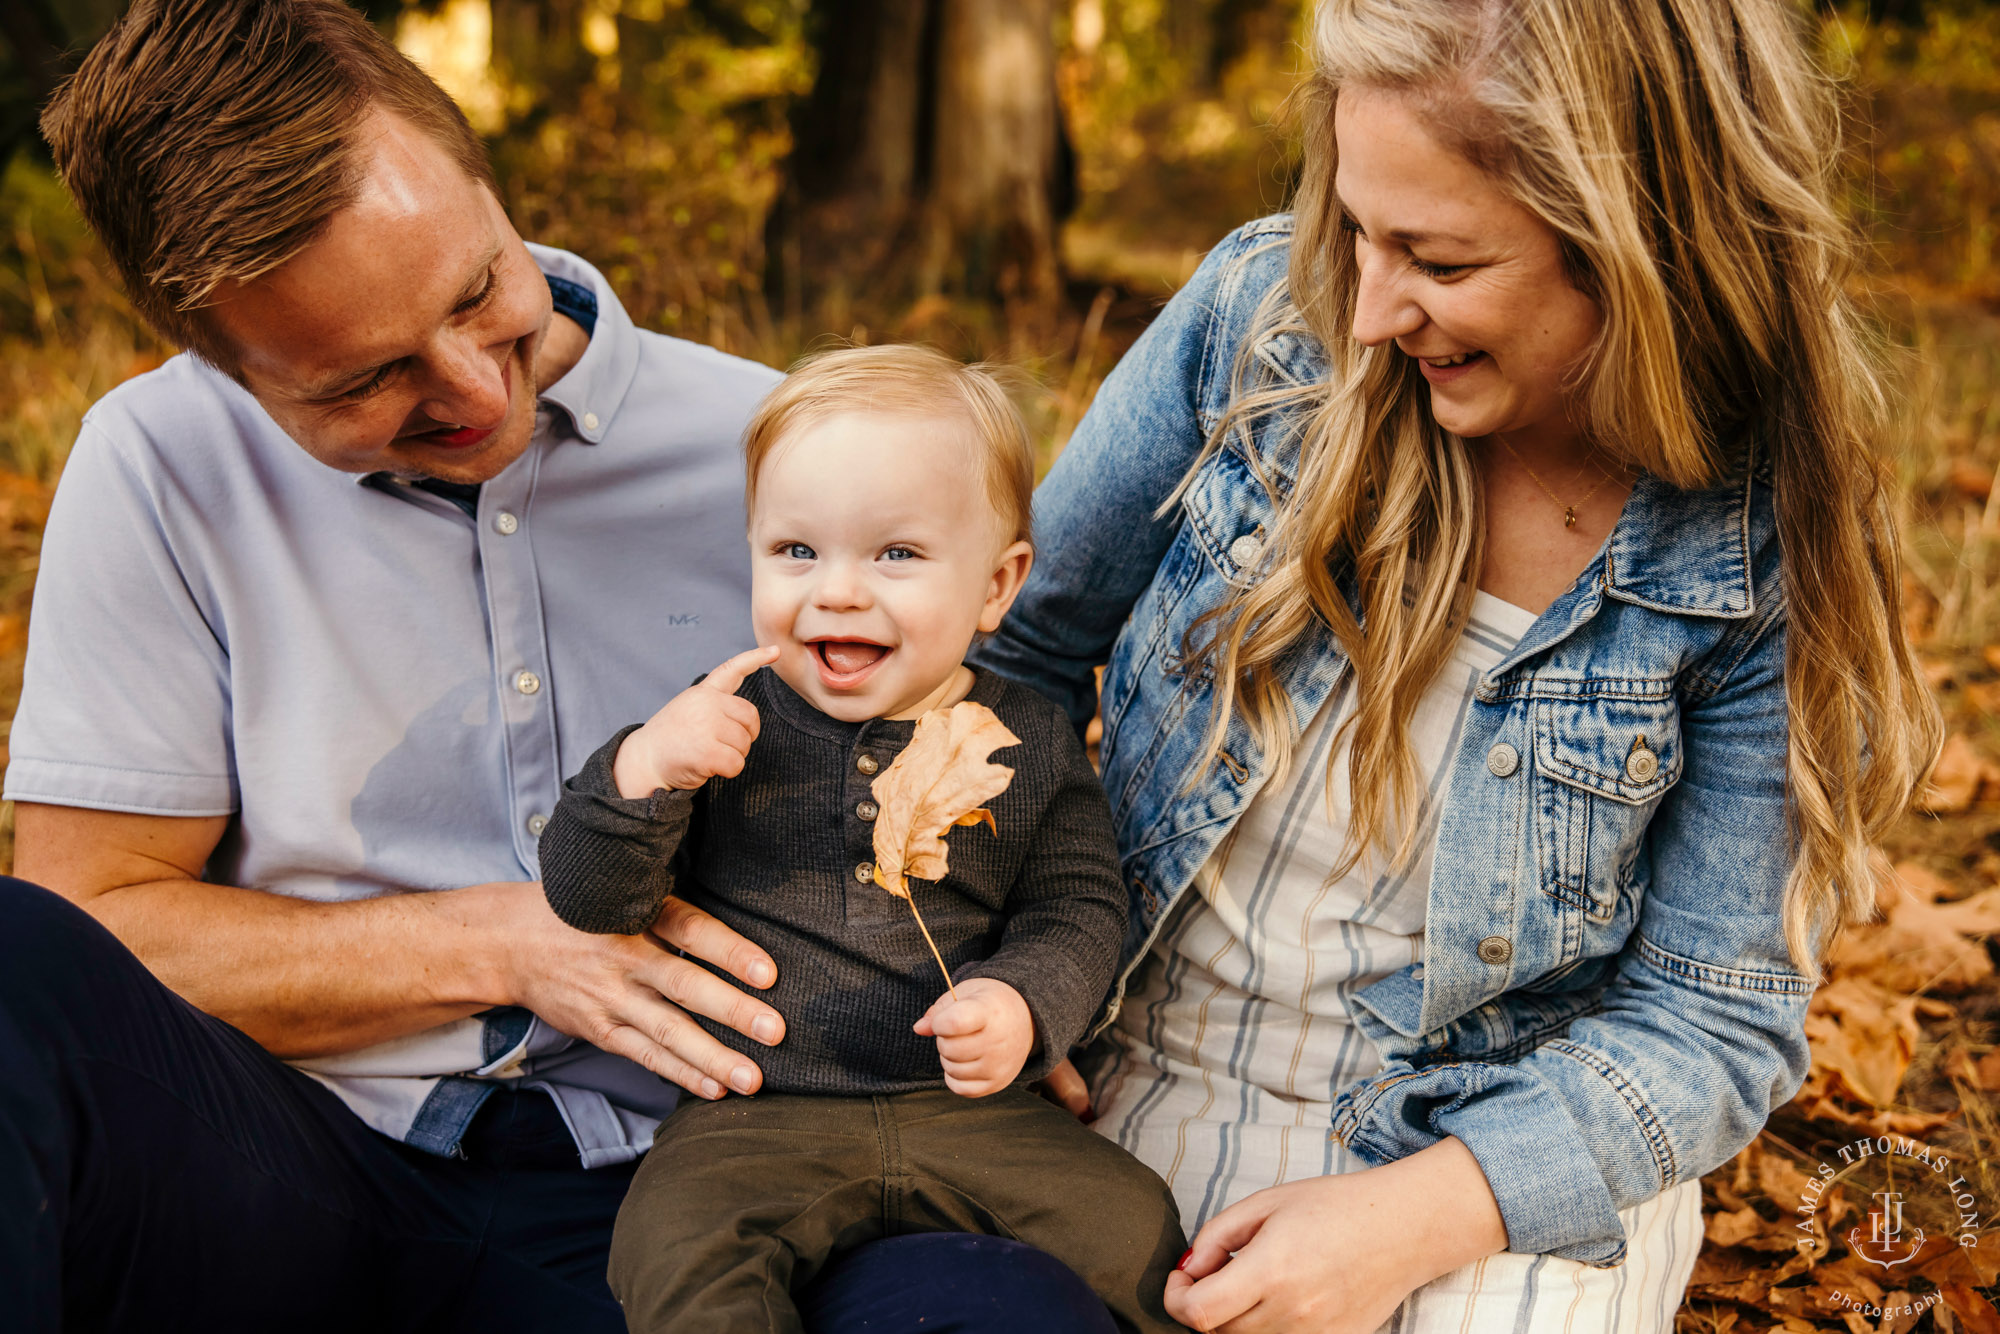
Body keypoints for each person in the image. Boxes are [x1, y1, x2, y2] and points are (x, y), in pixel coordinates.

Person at [0, 1, 1101, 1328]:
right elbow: (98, 923)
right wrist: (508, 942)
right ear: (224, 366)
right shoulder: (160, 466)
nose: (470, 390)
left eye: (478, 293)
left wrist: (1021, 986)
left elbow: (997, 794)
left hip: (738, 1177)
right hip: (305, 1166)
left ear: (486, 183)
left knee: (995, 1310)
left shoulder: (794, 464)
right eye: (364, 378)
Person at [971, 1, 1941, 1331]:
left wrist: (1405, 1222)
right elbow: (1015, 655)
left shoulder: (1755, 534)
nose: (1369, 310)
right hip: (1125, 1060)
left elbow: (1712, 1021)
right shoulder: (1267, 324)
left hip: (1500, 1162)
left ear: (1640, 245)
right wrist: (1019, 962)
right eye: (1359, 228)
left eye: (1435, 255)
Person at [538, 345, 1187, 1334]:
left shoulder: (1030, 738)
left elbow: (1080, 905)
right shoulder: (716, 725)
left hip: (970, 1110)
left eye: (895, 554)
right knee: (672, 1243)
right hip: (757, 1111)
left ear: (995, 584)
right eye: (795, 551)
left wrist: (1022, 1001)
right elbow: (593, 900)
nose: (836, 590)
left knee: (1138, 1229)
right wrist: (639, 774)